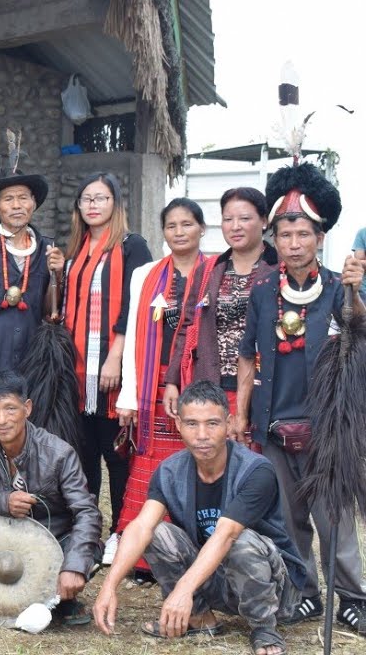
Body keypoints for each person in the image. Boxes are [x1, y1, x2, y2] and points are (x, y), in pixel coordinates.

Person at [237, 162, 366, 630]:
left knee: (335, 522)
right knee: (290, 520)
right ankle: (305, 590)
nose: (293, 244)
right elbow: (248, 357)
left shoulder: (337, 288)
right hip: (274, 425)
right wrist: (241, 414)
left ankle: (352, 595)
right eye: (285, 235)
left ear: (320, 237)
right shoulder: (263, 291)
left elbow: (359, 330)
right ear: (274, 239)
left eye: (303, 234)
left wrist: (355, 288)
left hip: (328, 428)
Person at [94, 381, 306, 655]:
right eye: (192, 424)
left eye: (212, 423)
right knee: (156, 532)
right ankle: (198, 617)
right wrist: (109, 586)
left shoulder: (256, 470)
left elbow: (226, 534)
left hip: (273, 588)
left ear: (229, 425)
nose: (202, 434)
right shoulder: (169, 471)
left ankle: (264, 628)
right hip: (216, 578)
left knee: (240, 541)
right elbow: (141, 527)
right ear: (179, 425)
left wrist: (182, 589)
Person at [47, 172, 151, 562]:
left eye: (101, 198)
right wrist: (58, 271)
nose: (93, 205)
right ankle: (86, 528)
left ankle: (121, 532)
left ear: (115, 204)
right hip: (76, 368)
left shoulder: (131, 245)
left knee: (117, 452)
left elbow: (135, 303)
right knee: (83, 451)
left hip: (111, 364)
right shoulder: (77, 248)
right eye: (86, 198)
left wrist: (116, 356)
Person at [0, 369, 102, 625]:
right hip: (0, 539)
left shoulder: (58, 453)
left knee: (84, 551)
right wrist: (3, 502)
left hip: (52, 536)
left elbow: (87, 512)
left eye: (10, 409)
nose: (1, 419)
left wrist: (74, 566)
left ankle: (63, 598)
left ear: (27, 408)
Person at [112, 198, 206, 580]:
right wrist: (129, 396)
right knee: (153, 469)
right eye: (171, 226)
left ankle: (193, 551)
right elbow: (135, 335)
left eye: (187, 224)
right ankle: (145, 557)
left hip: (199, 388)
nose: (179, 232)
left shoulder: (215, 271)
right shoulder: (146, 274)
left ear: (201, 228)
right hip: (153, 386)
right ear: (163, 232)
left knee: (198, 468)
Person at [163, 188, 277, 434]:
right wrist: (172, 381)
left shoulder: (279, 269)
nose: (235, 226)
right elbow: (187, 326)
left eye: (245, 219)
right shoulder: (210, 270)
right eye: (228, 219)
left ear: (264, 221)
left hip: (264, 390)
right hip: (213, 387)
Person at [0, 171, 54, 434]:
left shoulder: (47, 249)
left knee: (26, 443)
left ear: (34, 203)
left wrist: (57, 275)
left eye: (23, 198)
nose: (16, 205)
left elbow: (51, 311)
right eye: (8, 199)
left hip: (30, 366)